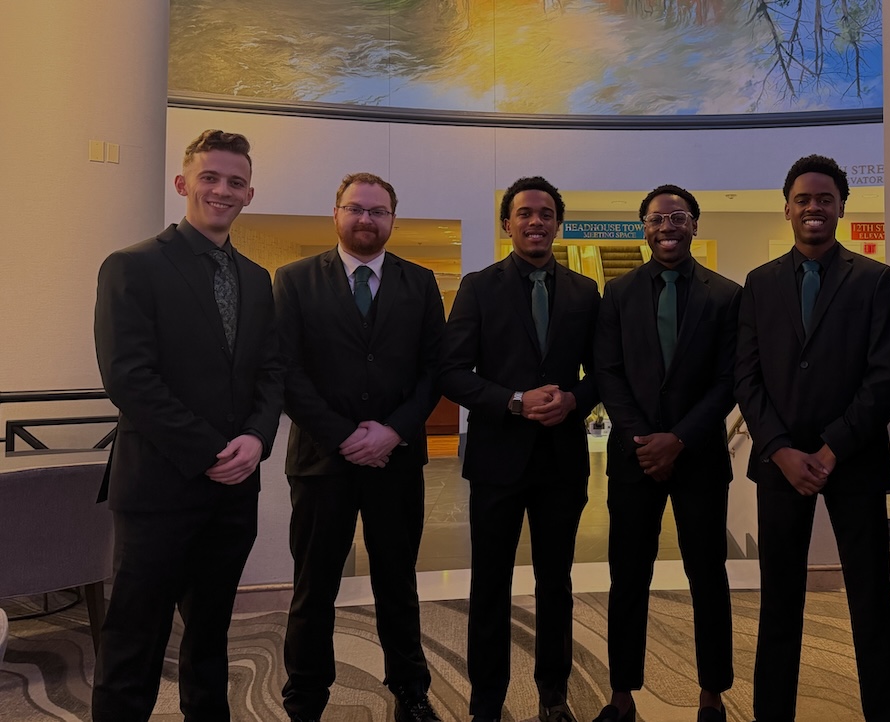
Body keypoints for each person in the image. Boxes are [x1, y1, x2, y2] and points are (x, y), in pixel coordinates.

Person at [92, 129, 284, 720]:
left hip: (233, 493)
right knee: (135, 640)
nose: (222, 190)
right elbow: (129, 378)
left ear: (249, 194)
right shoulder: (132, 266)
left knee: (210, 637)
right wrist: (211, 450)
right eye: (210, 177)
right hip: (158, 488)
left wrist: (256, 438)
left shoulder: (257, 278)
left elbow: (271, 371)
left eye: (235, 182)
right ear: (183, 183)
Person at [735, 155, 890, 722]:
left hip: (852, 460)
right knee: (779, 603)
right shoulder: (759, 283)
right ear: (786, 209)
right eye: (803, 199)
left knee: (871, 602)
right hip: (780, 463)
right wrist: (781, 449)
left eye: (825, 199)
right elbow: (746, 376)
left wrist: (833, 447)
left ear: (841, 208)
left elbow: (884, 376)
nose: (814, 207)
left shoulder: (874, 279)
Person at [273, 172, 446, 722]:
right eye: (356, 209)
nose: (366, 219)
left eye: (378, 211)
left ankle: (410, 689)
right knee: (313, 586)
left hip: (397, 460)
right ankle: (305, 700)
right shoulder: (294, 279)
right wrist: (344, 436)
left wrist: (392, 431)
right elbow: (286, 371)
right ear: (336, 213)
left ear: (393, 219)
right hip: (321, 461)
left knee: (397, 581)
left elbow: (434, 370)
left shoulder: (420, 282)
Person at [439, 176, 600, 722]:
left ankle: (553, 696)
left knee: (556, 584)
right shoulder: (478, 287)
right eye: (525, 213)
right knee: (490, 585)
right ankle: (486, 703)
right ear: (507, 223)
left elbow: (604, 371)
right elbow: (452, 372)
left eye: (546, 213)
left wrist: (574, 399)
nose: (536, 221)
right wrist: (513, 401)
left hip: (562, 461)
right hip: (496, 461)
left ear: (558, 224)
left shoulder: (585, 292)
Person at [592, 185, 741, 722]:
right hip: (634, 459)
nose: (667, 227)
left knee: (709, 575)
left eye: (678, 217)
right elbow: (607, 372)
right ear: (644, 228)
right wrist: (644, 440)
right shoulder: (618, 293)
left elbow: (729, 379)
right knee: (628, 576)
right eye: (657, 219)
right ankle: (621, 694)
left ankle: (712, 693)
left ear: (695, 224)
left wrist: (678, 438)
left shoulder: (727, 295)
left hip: (700, 456)